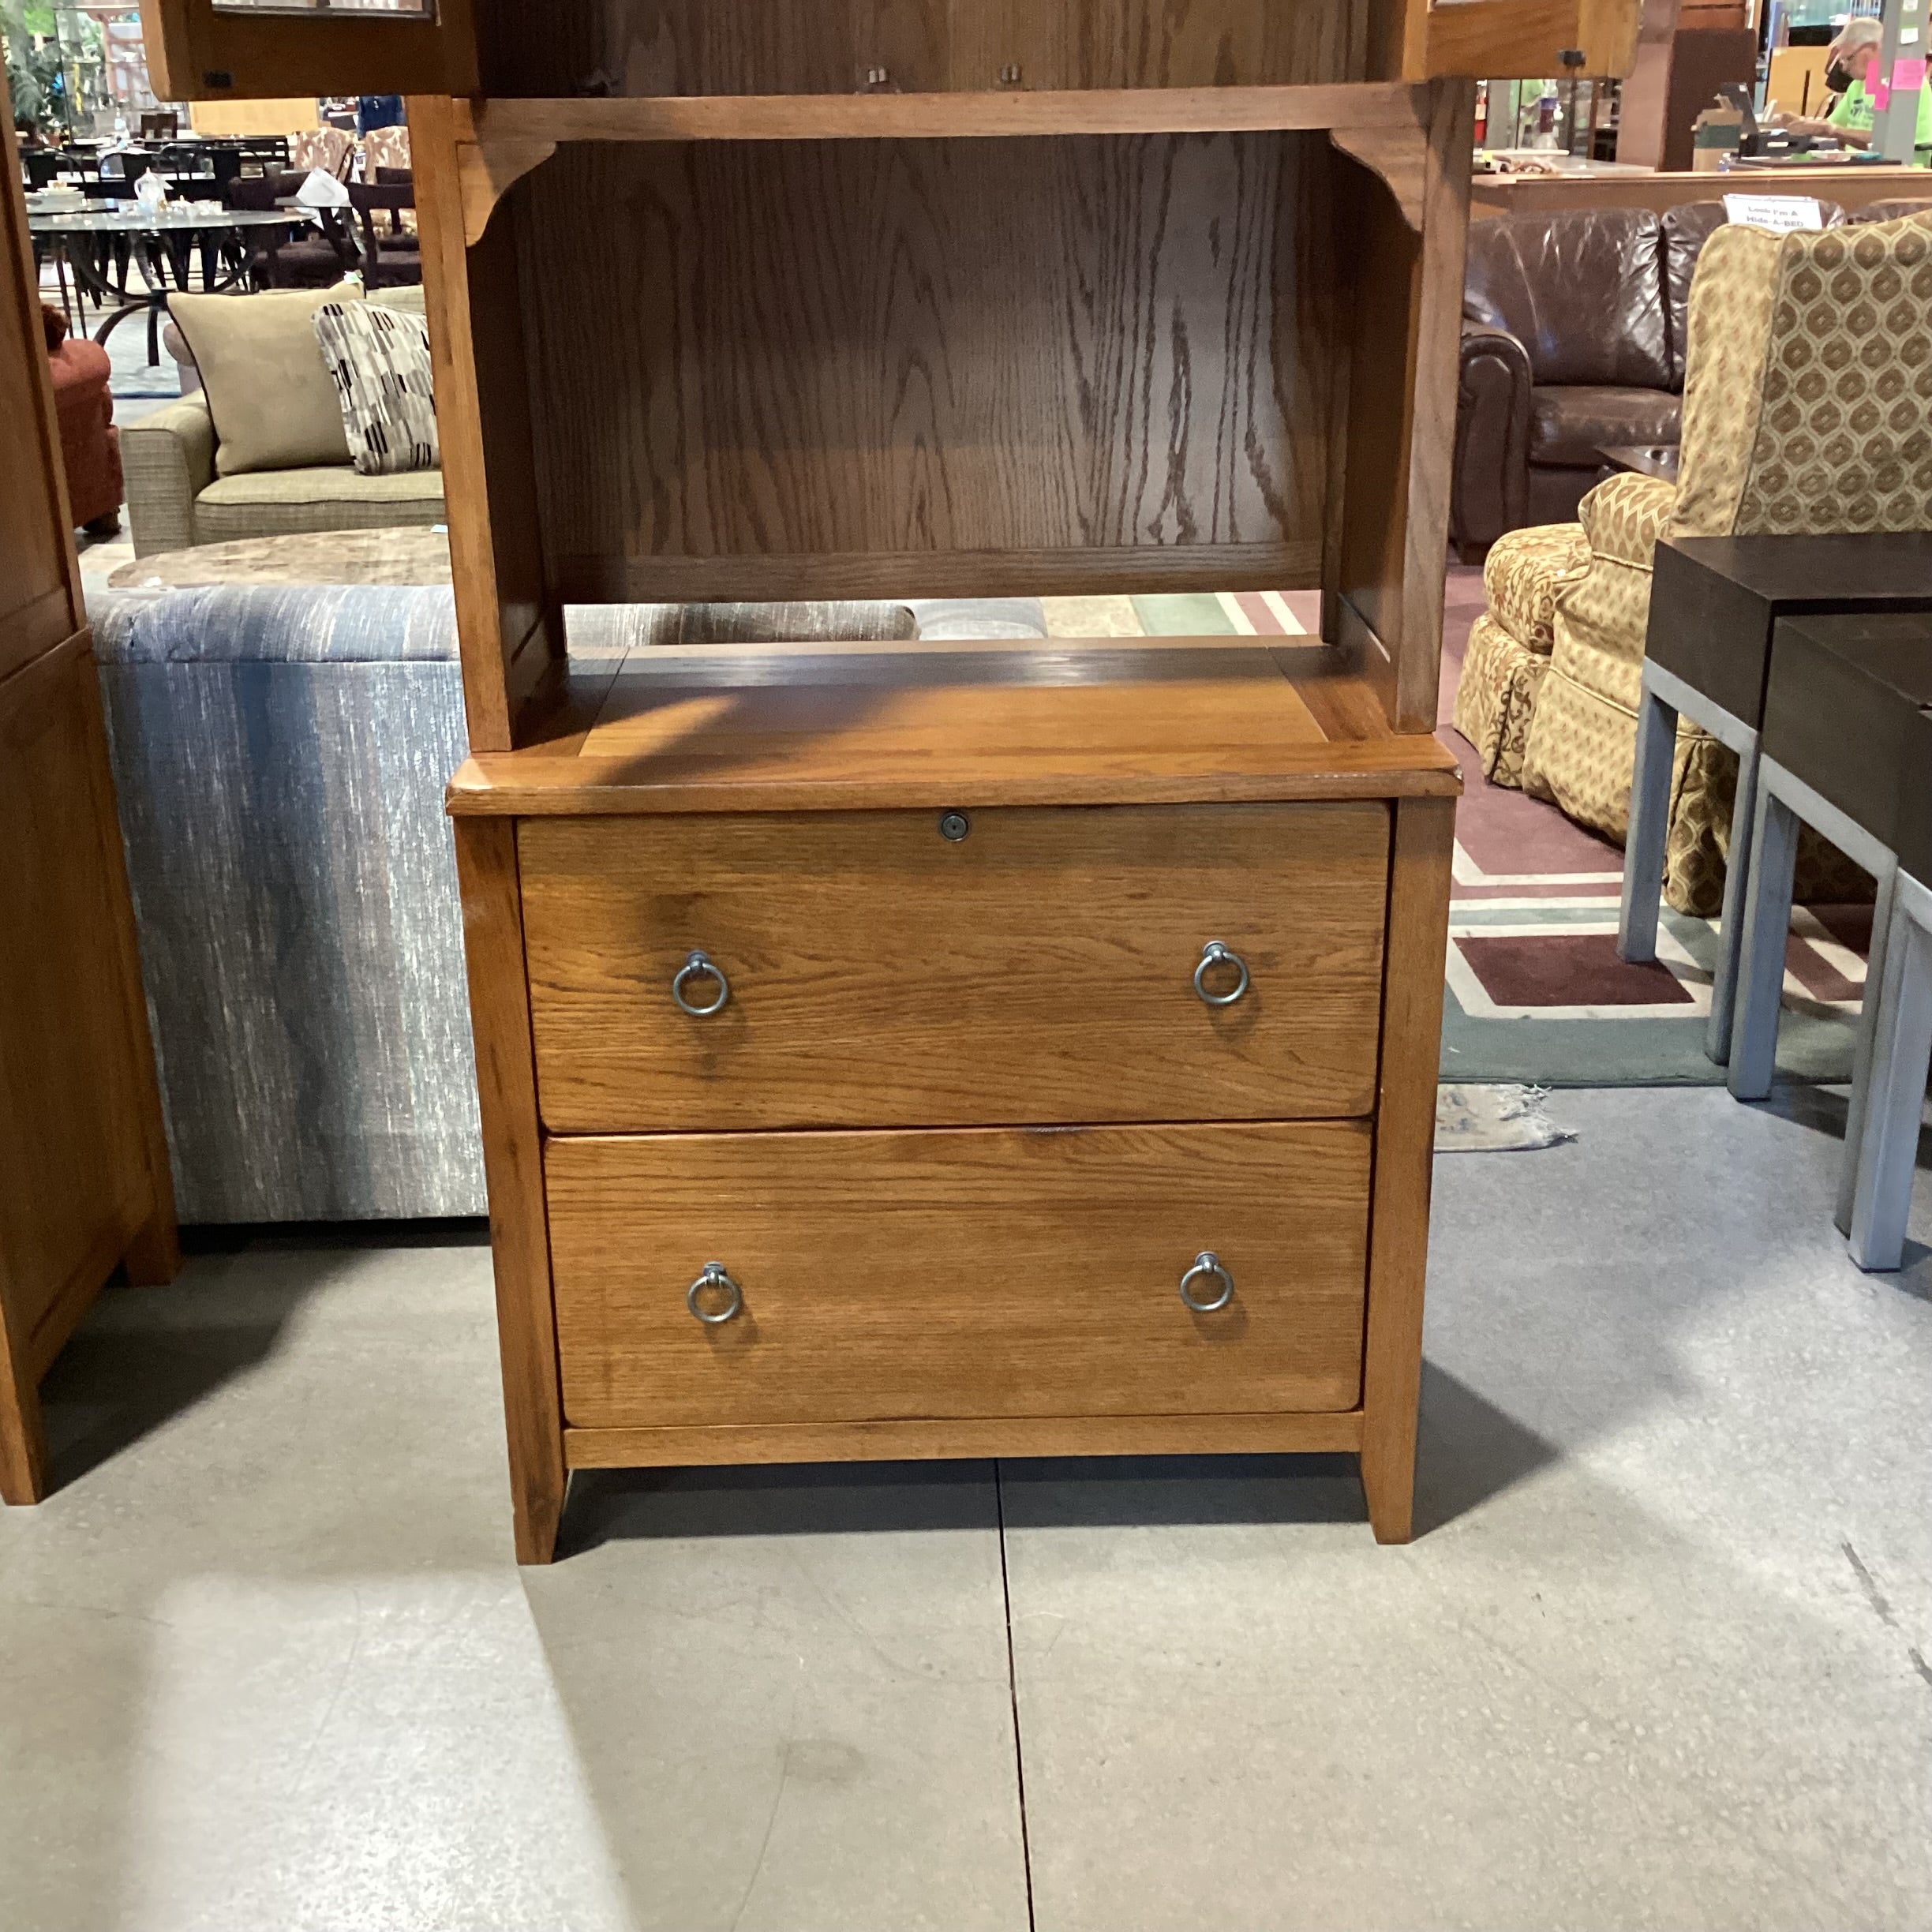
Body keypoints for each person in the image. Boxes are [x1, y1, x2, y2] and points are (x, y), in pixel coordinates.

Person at [1772, 17, 1932, 155]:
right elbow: (1831, 126)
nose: (1845, 67)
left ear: (1872, 47)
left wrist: (1834, 131)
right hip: (1860, 168)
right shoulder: (1858, 85)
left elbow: (1887, 140)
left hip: (1898, 172)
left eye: (1849, 58)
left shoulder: (1907, 78)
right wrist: (1803, 123)